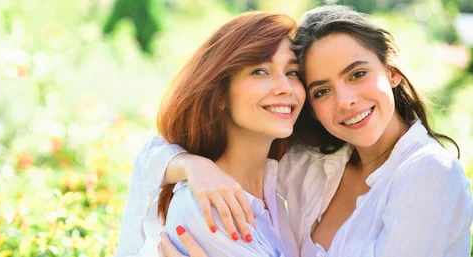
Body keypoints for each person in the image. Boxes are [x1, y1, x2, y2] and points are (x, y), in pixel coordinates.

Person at [141, 5, 472, 257]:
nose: (346, 102)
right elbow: (152, 159)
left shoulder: (428, 174)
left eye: (357, 74)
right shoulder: (315, 163)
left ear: (392, 71)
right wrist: (192, 166)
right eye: (321, 90)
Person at [115, 11, 305, 257]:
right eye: (260, 71)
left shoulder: (277, 199)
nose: (285, 87)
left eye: (293, 73)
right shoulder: (209, 208)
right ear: (219, 95)